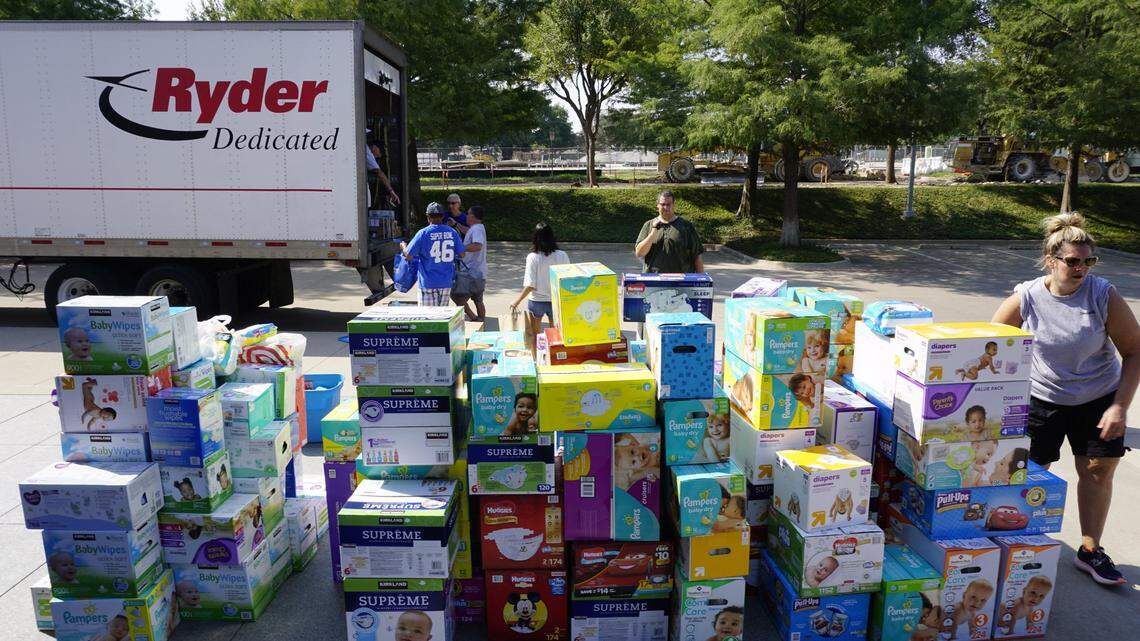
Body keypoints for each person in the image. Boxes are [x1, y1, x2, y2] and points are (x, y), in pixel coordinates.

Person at [991, 212, 1139, 586]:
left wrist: (1119, 406)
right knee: (1028, 472)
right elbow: (988, 343)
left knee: (1096, 470)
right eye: (1073, 261)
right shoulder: (1027, 296)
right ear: (1050, 260)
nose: (1081, 268)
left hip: (1098, 397)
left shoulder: (1103, 294)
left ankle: (1090, 550)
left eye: (1088, 261)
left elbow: (1135, 352)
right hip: (1042, 399)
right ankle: (1015, 542)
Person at [509, 222, 569, 353]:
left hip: (537, 302)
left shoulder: (532, 257)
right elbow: (567, 280)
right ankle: (555, 358)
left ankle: (537, 360)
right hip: (556, 301)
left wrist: (516, 301)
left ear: (535, 238)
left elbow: (530, 285)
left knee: (536, 336)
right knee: (557, 336)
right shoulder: (562, 255)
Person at [402, 203, 467, 306]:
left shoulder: (423, 233)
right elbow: (462, 254)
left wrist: (403, 246)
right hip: (446, 282)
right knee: (441, 316)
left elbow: (408, 256)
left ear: (428, 216)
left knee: (427, 317)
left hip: (428, 283)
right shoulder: (452, 232)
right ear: (442, 216)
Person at [634, 190, 705, 273]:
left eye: (669, 204)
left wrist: (701, 280)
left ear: (674, 205)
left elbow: (697, 256)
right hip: (654, 280)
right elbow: (639, 253)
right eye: (663, 204)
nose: (666, 208)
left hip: (681, 281)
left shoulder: (686, 226)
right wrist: (652, 233)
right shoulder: (649, 225)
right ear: (657, 205)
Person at [451, 205, 487, 321]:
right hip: (479, 272)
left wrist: (460, 248)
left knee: (457, 297)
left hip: (471, 272)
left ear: (473, 216)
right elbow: (467, 231)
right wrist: (456, 225)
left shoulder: (476, 229)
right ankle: (481, 319)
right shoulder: (477, 228)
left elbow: (477, 246)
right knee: (478, 300)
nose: (466, 215)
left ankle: (473, 317)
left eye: (468, 213)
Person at [367, 140, 400, 206]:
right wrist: (391, 192)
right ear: (374, 147)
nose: (379, 156)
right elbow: (380, 173)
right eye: (380, 152)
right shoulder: (367, 152)